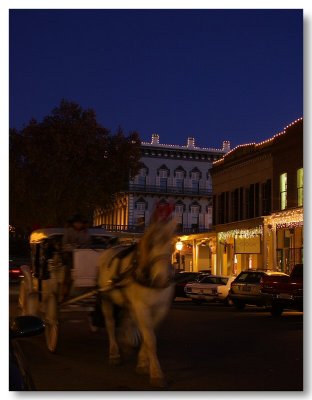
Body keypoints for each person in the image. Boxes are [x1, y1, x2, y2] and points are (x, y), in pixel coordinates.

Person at [61, 214, 91, 300]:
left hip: (83, 256)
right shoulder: (68, 231)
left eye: (80, 223)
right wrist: (73, 248)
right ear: (73, 223)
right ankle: (65, 293)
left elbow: (88, 244)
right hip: (70, 256)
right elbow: (64, 245)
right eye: (77, 223)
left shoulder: (86, 232)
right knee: (68, 273)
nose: (79, 225)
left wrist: (81, 249)